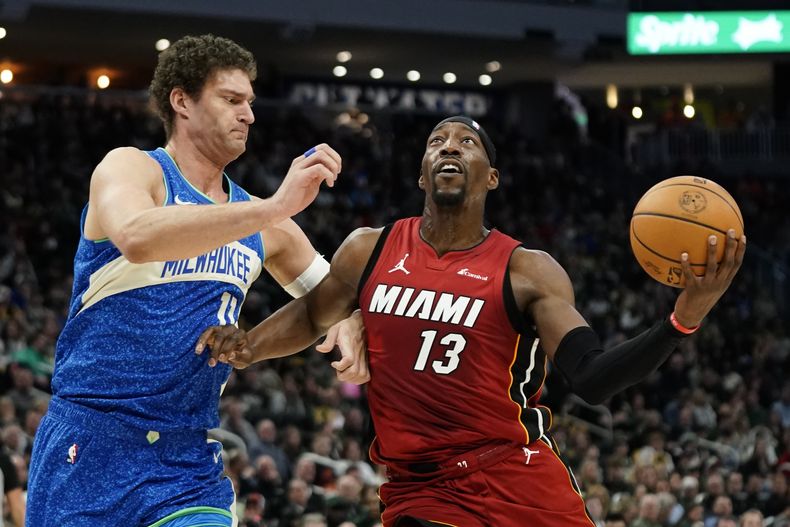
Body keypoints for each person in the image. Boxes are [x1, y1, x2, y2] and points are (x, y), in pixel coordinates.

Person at [199, 115, 746, 526]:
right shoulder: (370, 248)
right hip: (423, 488)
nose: (449, 147)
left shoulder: (528, 271)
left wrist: (681, 319)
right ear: (422, 175)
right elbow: (313, 313)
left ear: (492, 178)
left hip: (518, 477)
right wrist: (248, 346)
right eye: (437, 141)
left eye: (466, 142)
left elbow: (593, 378)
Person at [26, 34, 367, 527]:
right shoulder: (135, 168)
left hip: (186, 460)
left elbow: (330, 301)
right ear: (181, 101)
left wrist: (351, 323)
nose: (248, 114)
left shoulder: (266, 222)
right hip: (90, 440)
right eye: (231, 100)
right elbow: (137, 236)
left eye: (250, 102)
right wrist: (273, 207)